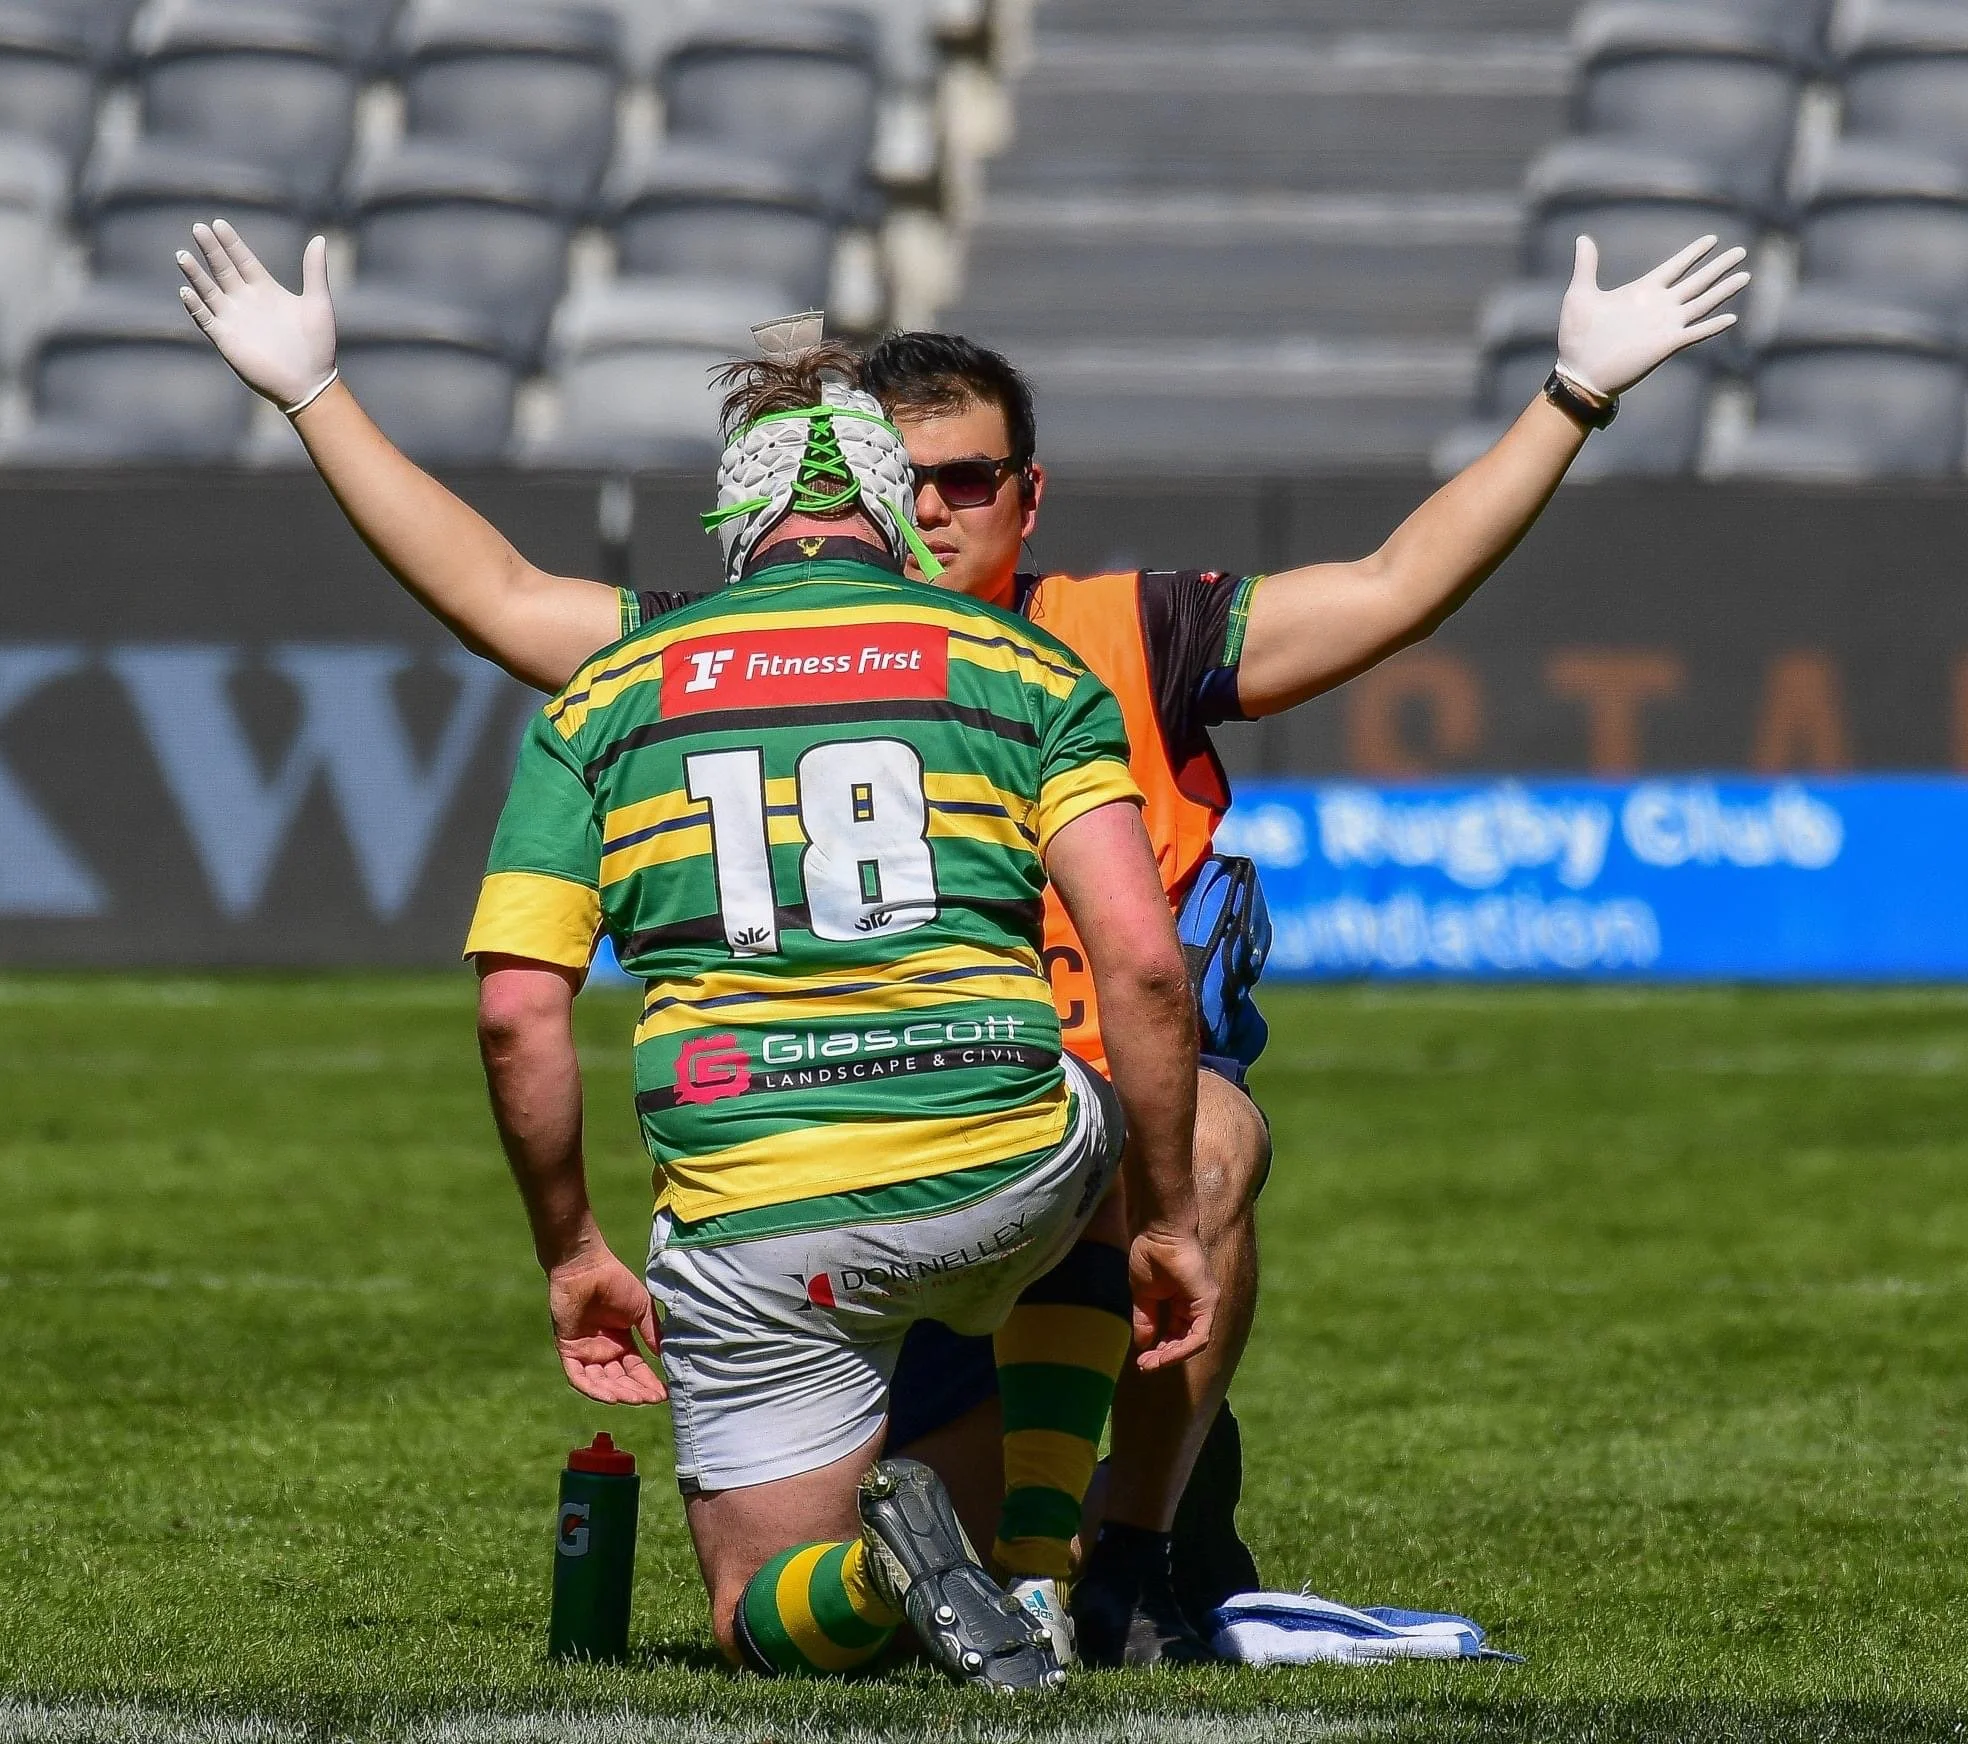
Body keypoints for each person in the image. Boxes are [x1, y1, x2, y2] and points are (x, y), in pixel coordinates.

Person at [175, 219, 1748, 1663]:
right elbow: (496, 587)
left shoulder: (1114, 630)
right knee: (822, 1562)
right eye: (903, 480)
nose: (930, 512)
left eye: (969, 481)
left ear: (1028, 493)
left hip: (912, 1187)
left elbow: (1397, 583)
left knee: (1195, 1122)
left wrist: (1570, 396)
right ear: (858, 486)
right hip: (1002, 1178)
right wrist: (317, 395)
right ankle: (1035, 1549)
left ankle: (1111, 1573)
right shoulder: (854, 658)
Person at [462, 332, 1215, 1686]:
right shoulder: (1028, 669)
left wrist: (573, 1252)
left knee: (760, 1615)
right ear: (887, 511)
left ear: (737, 526)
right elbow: (1147, 971)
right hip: (1010, 1172)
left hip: (761, 1217)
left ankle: (881, 1566)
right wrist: (1166, 1219)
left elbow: (520, 1010)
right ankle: (1042, 1560)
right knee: (1122, 1103)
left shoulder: (608, 694)